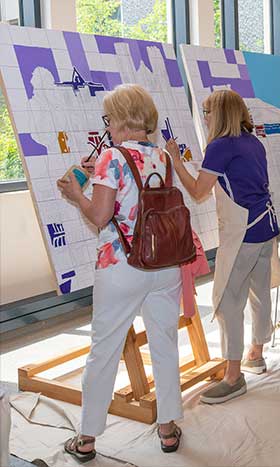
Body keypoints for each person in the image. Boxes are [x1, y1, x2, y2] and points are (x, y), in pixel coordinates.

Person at [57, 84, 183, 460]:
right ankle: (168, 428)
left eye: (109, 119)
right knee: (164, 344)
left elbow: (100, 215)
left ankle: (87, 438)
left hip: (121, 266)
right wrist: (95, 177)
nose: (107, 127)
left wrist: (76, 193)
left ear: (123, 118)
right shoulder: (162, 155)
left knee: (104, 349)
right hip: (165, 261)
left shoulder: (112, 158)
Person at [168, 89, 279, 404]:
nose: (204, 117)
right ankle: (255, 353)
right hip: (266, 228)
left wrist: (176, 161)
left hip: (243, 232)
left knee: (227, 301)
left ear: (219, 114)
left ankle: (233, 376)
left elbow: (198, 191)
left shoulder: (219, 147)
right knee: (259, 294)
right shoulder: (253, 142)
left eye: (206, 111)